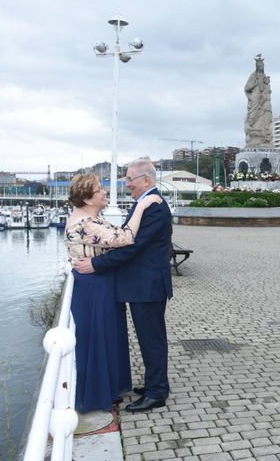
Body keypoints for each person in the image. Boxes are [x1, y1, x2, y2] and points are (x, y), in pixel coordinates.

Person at [74, 157, 173, 413]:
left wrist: (96, 265)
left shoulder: (154, 206)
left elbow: (133, 247)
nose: (126, 184)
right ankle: (154, 383)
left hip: (147, 285)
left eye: (129, 179)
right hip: (141, 283)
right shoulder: (145, 202)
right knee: (148, 338)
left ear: (146, 180)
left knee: (151, 339)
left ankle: (157, 393)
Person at [244, 53, 273, 147]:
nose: (261, 66)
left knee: (265, 117)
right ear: (257, 66)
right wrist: (255, 83)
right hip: (255, 98)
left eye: (262, 65)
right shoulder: (253, 76)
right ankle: (251, 130)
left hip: (264, 100)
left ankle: (264, 136)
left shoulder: (264, 76)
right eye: (259, 65)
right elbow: (246, 88)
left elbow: (267, 90)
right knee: (253, 115)